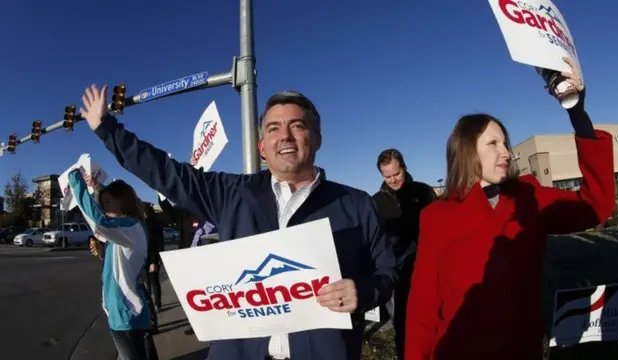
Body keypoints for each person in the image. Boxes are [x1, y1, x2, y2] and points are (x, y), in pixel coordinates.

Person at [80, 85, 398, 360]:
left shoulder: (356, 204)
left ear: (316, 139)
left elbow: (388, 270)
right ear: (262, 147)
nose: (285, 135)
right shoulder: (230, 194)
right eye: (273, 128)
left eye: (297, 125)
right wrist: (107, 129)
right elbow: (164, 172)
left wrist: (364, 292)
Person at [404, 57, 615, 360]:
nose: (506, 152)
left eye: (505, 143)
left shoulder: (529, 195)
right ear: (467, 150)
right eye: (493, 143)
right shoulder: (437, 216)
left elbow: (596, 205)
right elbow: (423, 306)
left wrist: (578, 116)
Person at [68, 168, 157, 360]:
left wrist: (75, 181)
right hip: (121, 313)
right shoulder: (125, 230)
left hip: (126, 314)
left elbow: (99, 222)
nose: (103, 207)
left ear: (122, 201)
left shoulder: (130, 226)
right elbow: (119, 264)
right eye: (102, 203)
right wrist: (102, 252)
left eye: (107, 202)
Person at [372, 148, 437, 360]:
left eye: (396, 174)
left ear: (404, 168)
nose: (393, 180)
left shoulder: (423, 192)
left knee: (433, 318)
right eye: (387, 176)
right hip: (398, 272)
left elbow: (440, 225)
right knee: (402, 322)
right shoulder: (377, 202)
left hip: (428, 266)